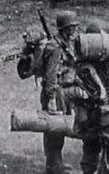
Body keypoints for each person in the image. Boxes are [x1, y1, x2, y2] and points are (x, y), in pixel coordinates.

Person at [41, 11, 78, 174]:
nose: (75, 30)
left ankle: (56, 163)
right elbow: (51, 75)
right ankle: (54, 166)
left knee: (59, 127)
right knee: (54, 129)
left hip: (62, 91)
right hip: (55, 93)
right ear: (66, 28)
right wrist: (51, 98)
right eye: (73, 27)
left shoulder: (65, 43)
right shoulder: (55, 47)